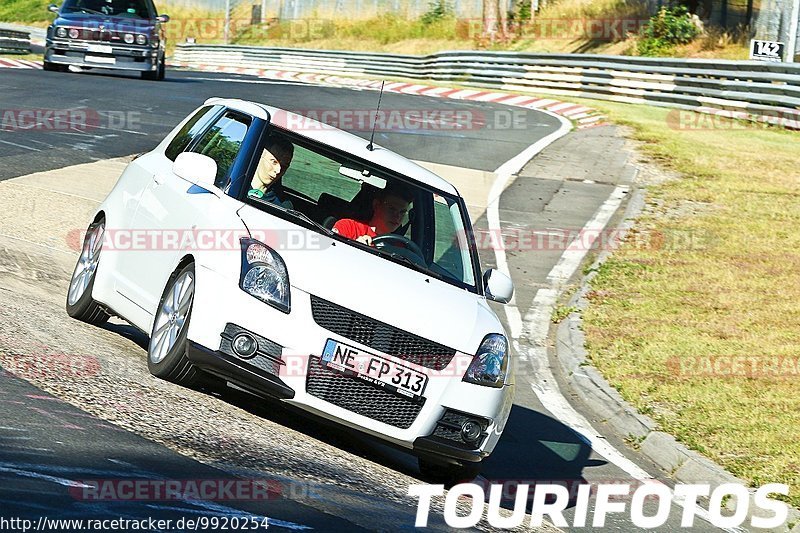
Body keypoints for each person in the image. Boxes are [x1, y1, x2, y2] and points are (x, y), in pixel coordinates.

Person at [333, 183, 412, 246]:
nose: (397, 216)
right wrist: (354, 247)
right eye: (392, 209)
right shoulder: (348, 227)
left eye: (402, 212)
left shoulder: (400, 247)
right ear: (376, 205)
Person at [248, 135, 294, 209]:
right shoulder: (232, 185)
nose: (278, 170)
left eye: (284, 165)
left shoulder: (284, 207)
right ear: (259, 156)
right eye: (274, 162)